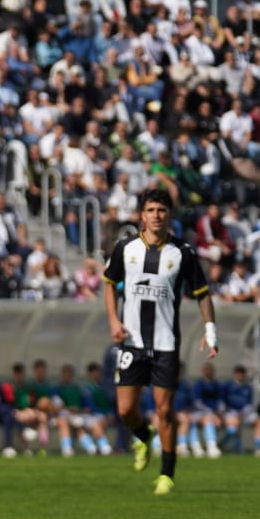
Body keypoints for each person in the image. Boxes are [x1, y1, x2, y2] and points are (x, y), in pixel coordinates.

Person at [102, 192, 217, 494]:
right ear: (142, 215)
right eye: (150, 209)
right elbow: (109, 285)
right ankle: (144, 435)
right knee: (126, 411)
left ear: (169, 215)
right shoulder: (125, 248)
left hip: (166, 344)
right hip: (132, 342)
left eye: (161, 210)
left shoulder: (182, 252)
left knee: (164, 410)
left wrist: (210, 329)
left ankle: (167, 473)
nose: (156, 215)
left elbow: (202, 293)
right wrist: (114, 321)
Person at [181, 362, 226, 458]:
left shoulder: (216, 384)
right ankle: (194, 446)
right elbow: (197, 403)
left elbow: (221, 401)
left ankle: (211, 446)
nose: (209, 372)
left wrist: (220, 411)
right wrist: (211, 412)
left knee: (215, 422)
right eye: (207, 370)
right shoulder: (198, 384)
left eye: (210, 370)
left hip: (211, 413)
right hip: (199, 412)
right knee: (191, 420)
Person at [219, 364, 259, 455]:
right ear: (235, 374)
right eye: (238, 373)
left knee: (259, 421)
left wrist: (243, 412)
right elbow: (221, 402)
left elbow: (249, 404)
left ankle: (258, 448)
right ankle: (231, 446)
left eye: (242, 374)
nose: (240, 376)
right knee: (234, 425)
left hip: (244, 413)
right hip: (230, 412)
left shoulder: (248, 387)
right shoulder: (227, 386)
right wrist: (223, 412)